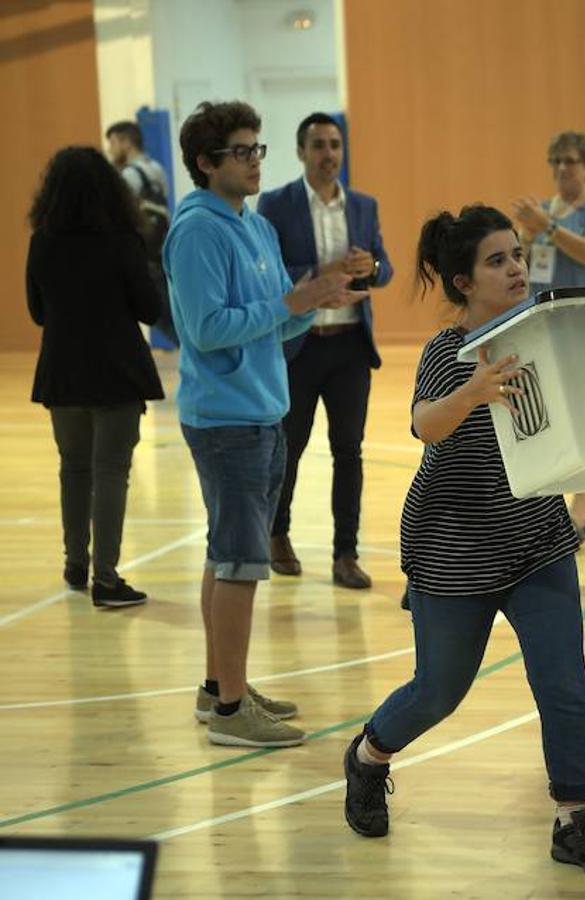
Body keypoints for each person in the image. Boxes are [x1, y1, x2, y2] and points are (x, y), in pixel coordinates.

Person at [341, 206, 585, 879]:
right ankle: (368, 757)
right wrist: (473, 390)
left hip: (535, 537)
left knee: (563, 683)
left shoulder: (542, 334)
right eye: (497, 260)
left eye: (518, 255)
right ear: (463, 281)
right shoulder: (449, 352)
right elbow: (425, 426)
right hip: (453, 546)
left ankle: (573, 818)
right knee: (440, 691)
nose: (516, 269)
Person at [165, 101, 362, 747]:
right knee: (242, 563)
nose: (254, 161)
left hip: (261, 410)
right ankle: (229, 713)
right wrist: (293, 300)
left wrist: (317, 300)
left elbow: (279, 318)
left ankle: (219, 685)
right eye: (242, 152)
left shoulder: (252, 226)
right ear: (205, 162)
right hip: (225, 419)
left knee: (226, 554)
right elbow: (206, 328)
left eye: (257, 150)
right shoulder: (197, 230)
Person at [257, 112, 395, 589]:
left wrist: (370, 265)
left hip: (351, 346)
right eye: (318, 145)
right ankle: (278, 535)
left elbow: (386, 268)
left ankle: (346, 554)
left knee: (348, 451)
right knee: (288, 448)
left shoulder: (363, 205)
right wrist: (323, 270)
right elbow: (269, 273)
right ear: (300, 152)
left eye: (335, 144)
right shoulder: (275, 205)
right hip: (300, 345)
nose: (328, 154)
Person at [26, 146, 164, 608]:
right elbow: (149, 307)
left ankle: (75, 564)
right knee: (110, 473)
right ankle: (106, 579)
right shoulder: (123, 239)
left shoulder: (42, 240)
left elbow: (37, 311)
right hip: (117, 372)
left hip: (62, 372)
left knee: (74, 469)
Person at [510, 130, 585, 541]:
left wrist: (547, 228)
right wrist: (523, 235)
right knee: (554, 414)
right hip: (548, 327)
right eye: (555, 161)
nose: (561, 169)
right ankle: (568, 508)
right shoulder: (541, 210)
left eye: (570, 161)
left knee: (583, 414)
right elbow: (522, 265)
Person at [105, 120, 178, 347]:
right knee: (169, 313)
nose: (110, 150)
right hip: (160, 250)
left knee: (161, 315)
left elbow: (117, 213)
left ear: (126, 142)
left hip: (142, 254)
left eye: (113, 143)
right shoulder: (156, 169)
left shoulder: (129, 176)